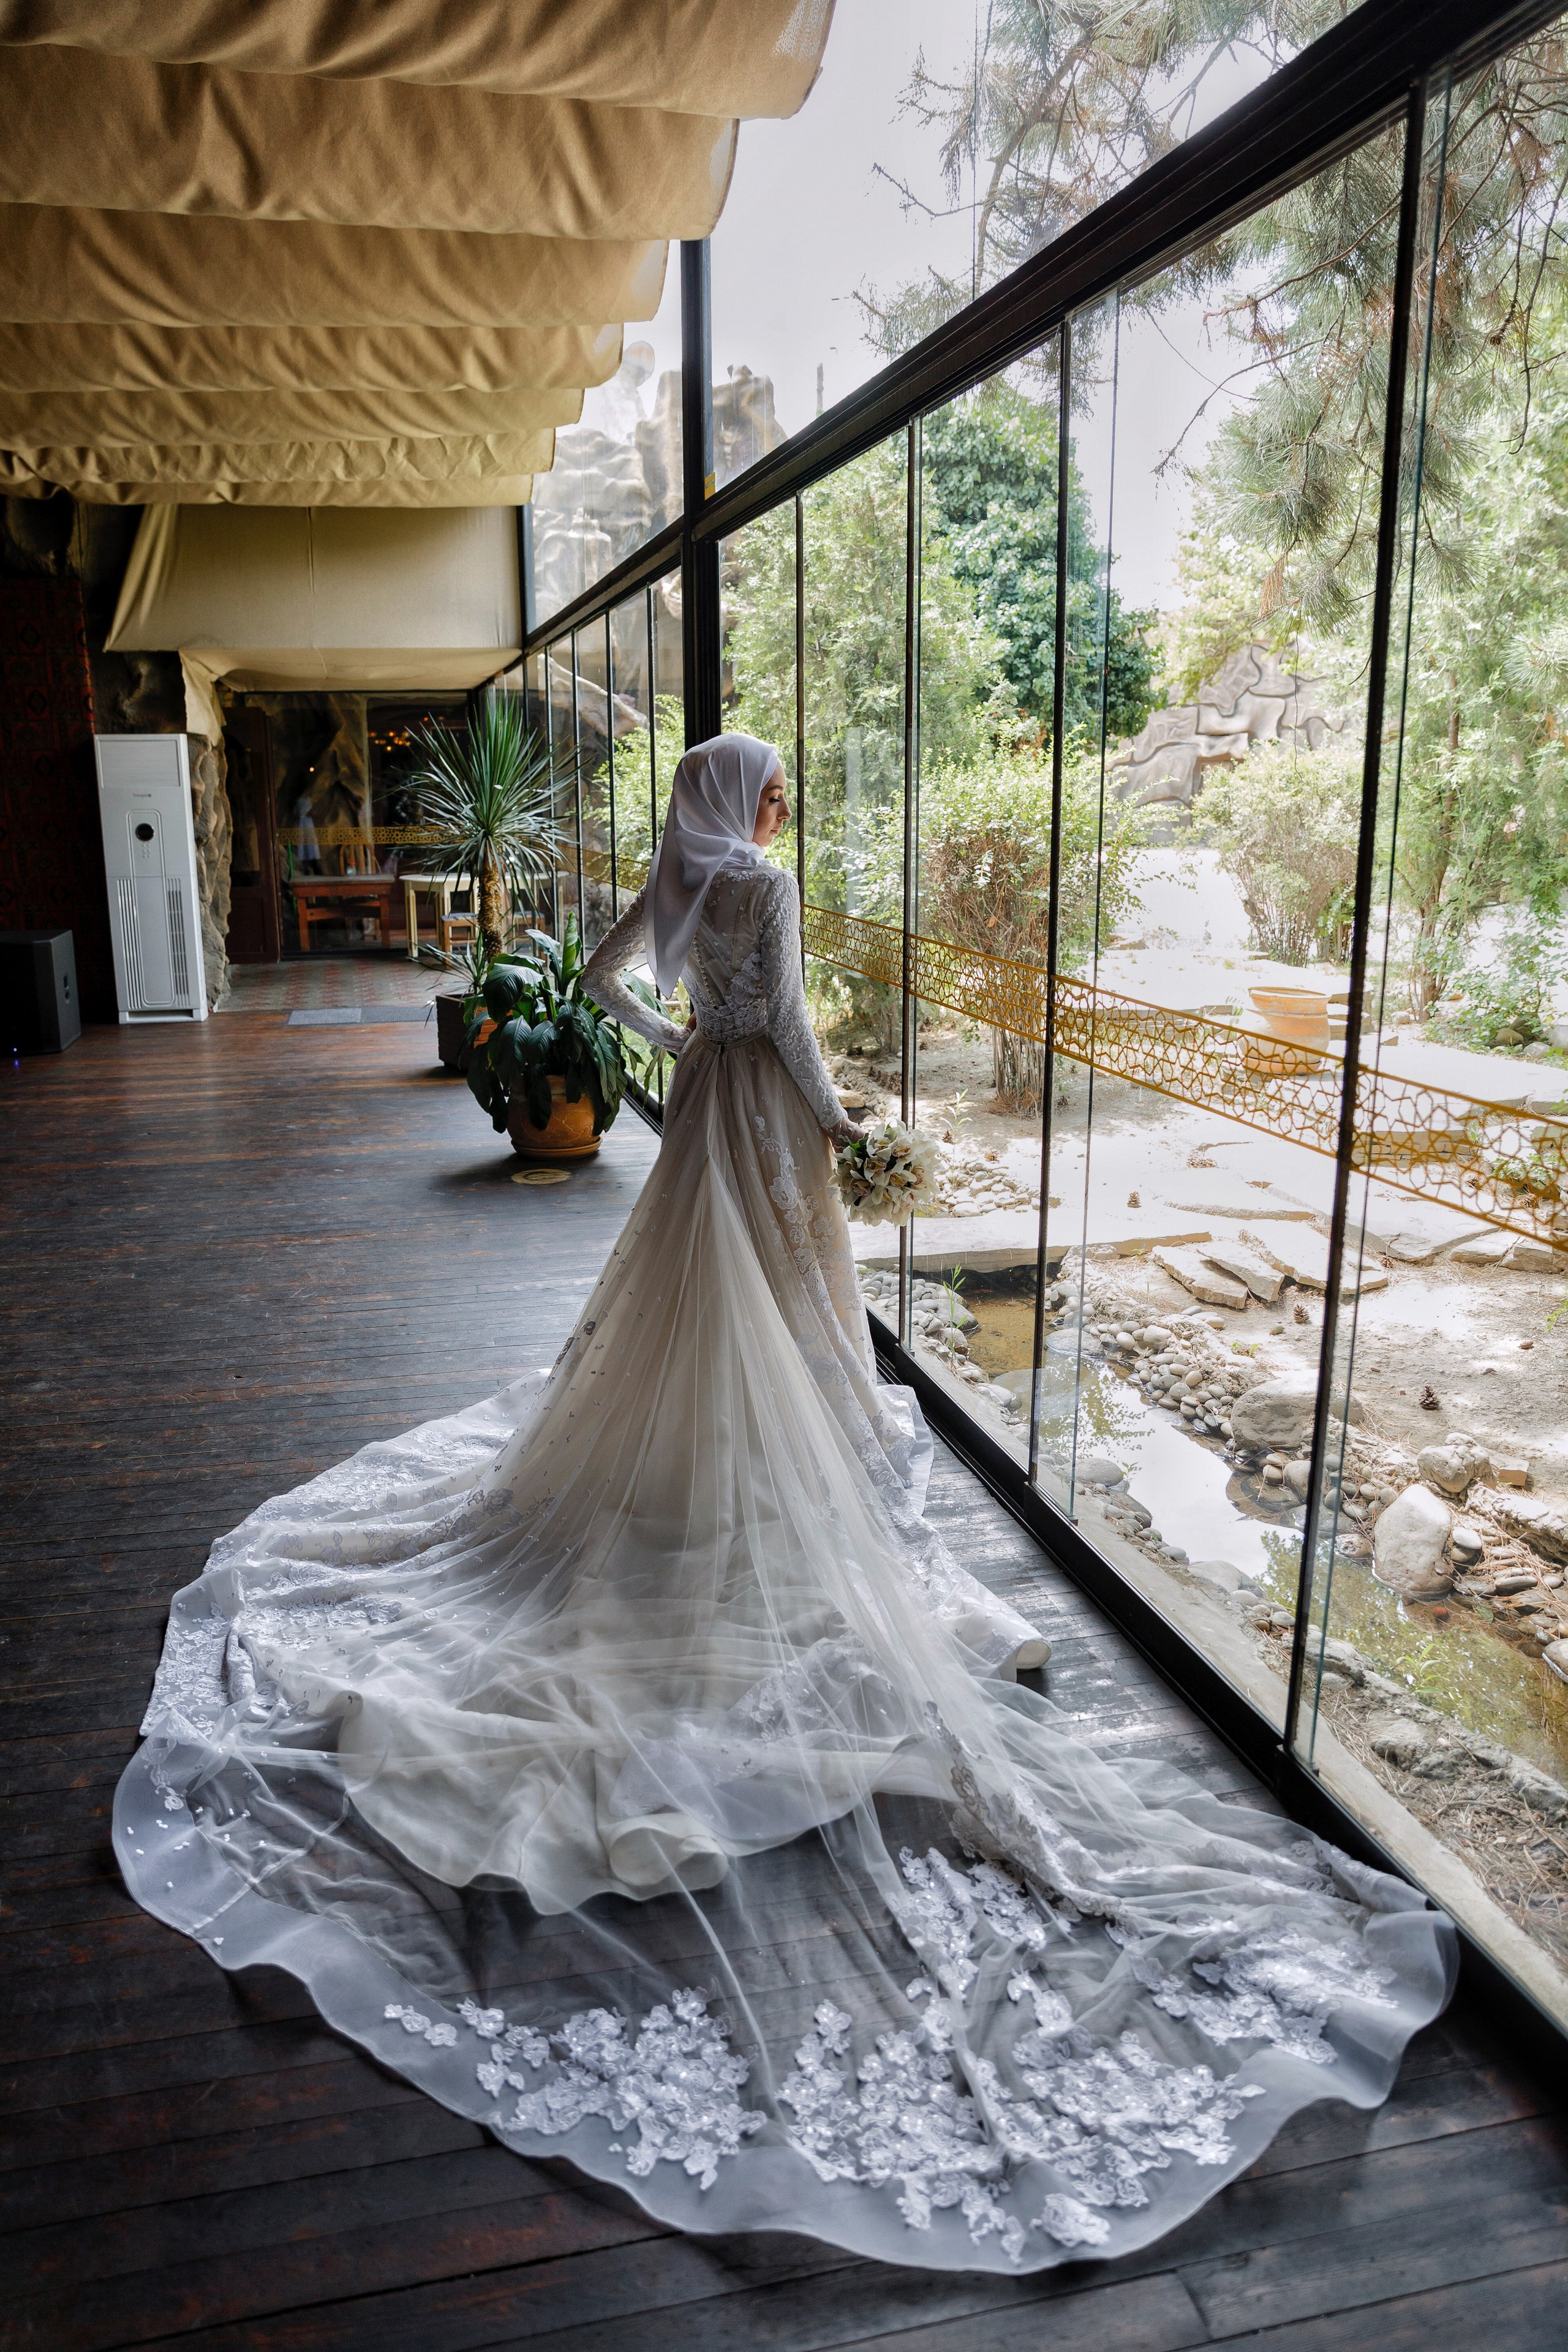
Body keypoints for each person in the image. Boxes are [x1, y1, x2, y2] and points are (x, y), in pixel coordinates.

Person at [117, 733, 1453, 2275]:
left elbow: (608, 990)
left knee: (691, 1326)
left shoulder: (682, 875)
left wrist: (675, 1060)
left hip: (694, 1117)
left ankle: (698, 1486)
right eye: (769, 786)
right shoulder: (763, 876)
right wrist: (840, 1128)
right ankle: (771, 1503)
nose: (776, 808)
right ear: (748, 796)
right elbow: (797, 1023)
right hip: (761, 1130)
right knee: (792, 1327)